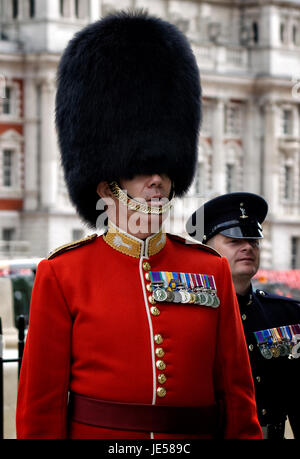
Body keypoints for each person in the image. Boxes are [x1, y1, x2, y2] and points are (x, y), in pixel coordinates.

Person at [16, 11, 262, 439]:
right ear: (107, 183)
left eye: (165, 169)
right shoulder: (63, 274)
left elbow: (237, 396)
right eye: (141, 169)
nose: (158, 180)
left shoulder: (210, 269)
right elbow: (42, 406)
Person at [186, 192, 300, 439]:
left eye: (254, 241)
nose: (248, 247)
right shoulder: (188, 316)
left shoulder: (288, 315)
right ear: (206, 249)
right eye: (235, 241)